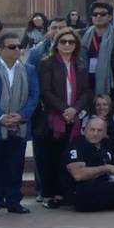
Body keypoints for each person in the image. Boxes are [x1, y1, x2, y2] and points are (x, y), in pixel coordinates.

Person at [0, 33, 39, 216]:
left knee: (14, 166)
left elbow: (34, 96)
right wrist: (0, 116)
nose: (17, 50)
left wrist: (22, 115)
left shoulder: (29, 70)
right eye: (12, 47)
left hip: (18, 126)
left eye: (19, 46)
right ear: (0, 49)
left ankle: (13, 201)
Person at [36, 28, 92, 209]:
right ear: (56, 44)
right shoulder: (47, 63)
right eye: (63, 42)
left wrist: (74, 110)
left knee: (67, 157)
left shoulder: (80, 64)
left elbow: (86, 91)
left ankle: (63, 193)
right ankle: (48, 194)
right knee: (50, 157)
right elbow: (45, 91)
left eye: (71, 42)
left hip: (73, 118)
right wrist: (64, 110)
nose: (67, 45)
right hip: (54, 118)